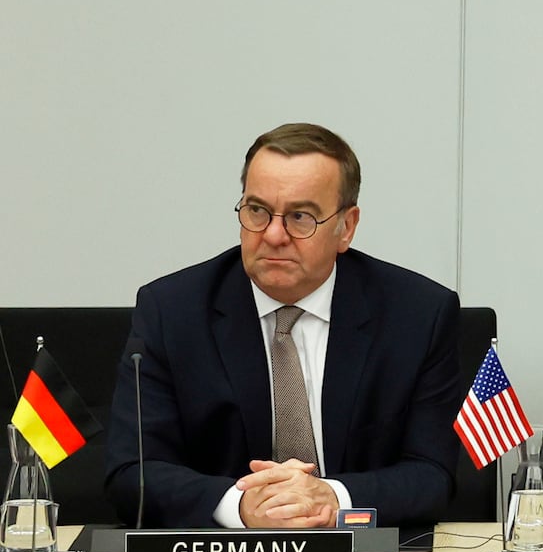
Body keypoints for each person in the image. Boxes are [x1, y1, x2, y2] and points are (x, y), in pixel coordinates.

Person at [105, 123, 460, 529]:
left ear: (346, 227)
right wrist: (241, 505)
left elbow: (432, 474)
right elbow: (133, 471)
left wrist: (329, 497)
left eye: (300, 216)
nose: (273, 235)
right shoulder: (172, 312)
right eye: (257, 210)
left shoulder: (416, 315)